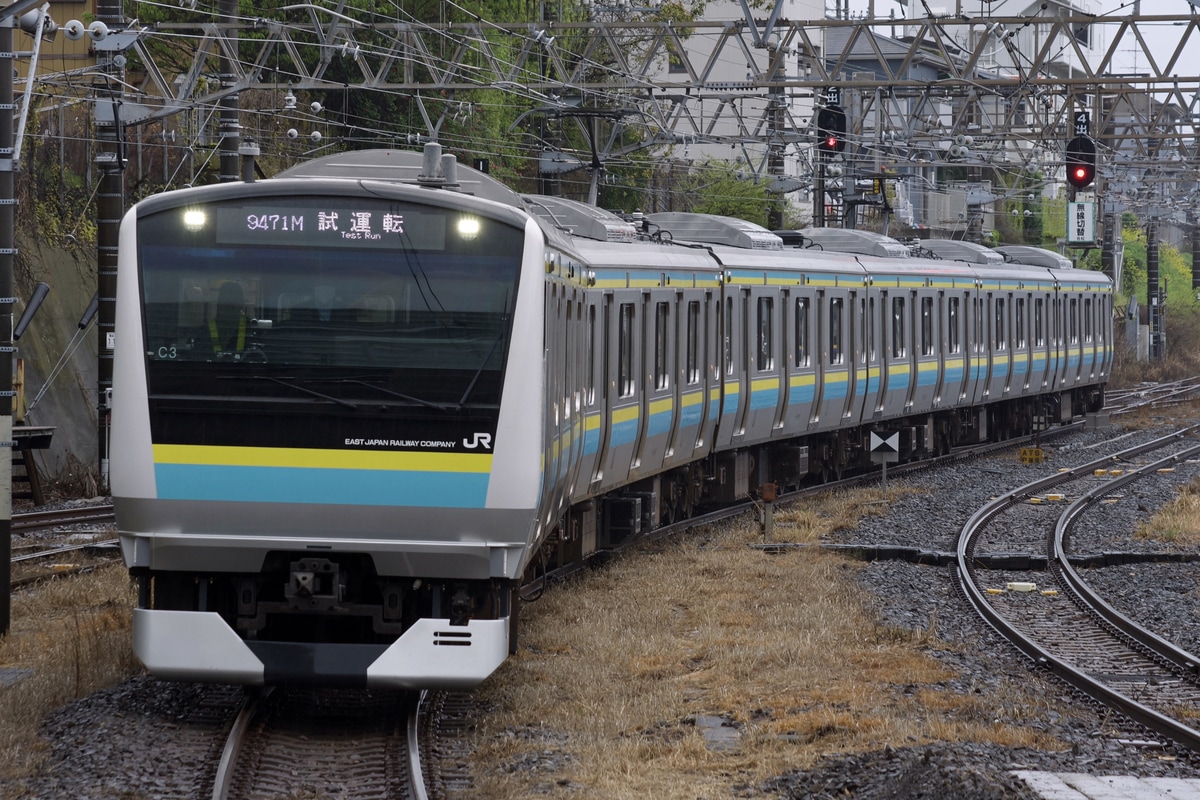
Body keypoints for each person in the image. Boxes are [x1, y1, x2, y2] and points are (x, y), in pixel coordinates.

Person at [209, 282, 247, 353]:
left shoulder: (206, 328)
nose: (229, 309)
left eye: (233, 306)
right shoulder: (250, 328)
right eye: (226, 305)